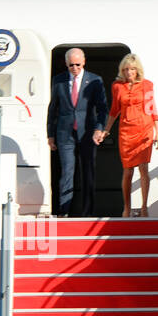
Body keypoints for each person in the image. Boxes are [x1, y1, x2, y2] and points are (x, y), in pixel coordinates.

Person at [47, 47, 107, 217]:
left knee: (87, 172)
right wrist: (50, 134)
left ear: (84, 62)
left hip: (88, 132)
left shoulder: (95, 80)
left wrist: (99, 128)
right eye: (71, 65)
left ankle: (87, 212)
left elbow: (102, 108)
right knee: (67, 171)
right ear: (66, 64)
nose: (75, 68)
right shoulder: (58, 80)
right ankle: (63, 211)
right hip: (65, 133)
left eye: (78, 65)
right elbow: (53, 108)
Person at [106, 53, 158, 217]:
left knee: (143, 169)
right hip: (126, 130)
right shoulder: (117, 86)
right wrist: (106, 129)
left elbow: (152, 108)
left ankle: (144, 207)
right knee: (127, 171)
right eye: (126, 69)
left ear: (138, 70)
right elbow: (115, 109)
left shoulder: (147, 85)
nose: (129, 72)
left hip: (144, 128)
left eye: (132, 69)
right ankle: (127, 208)